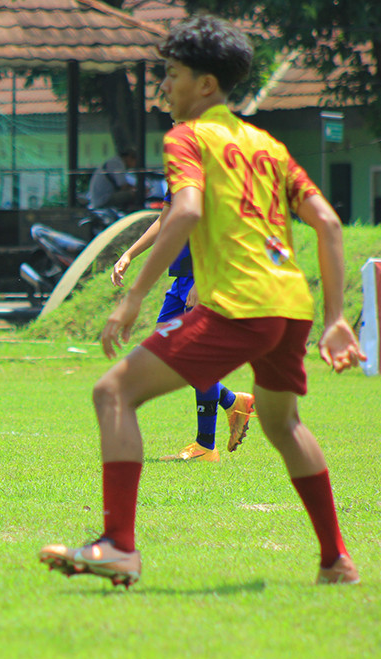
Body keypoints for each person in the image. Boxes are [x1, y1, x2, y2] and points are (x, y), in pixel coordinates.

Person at [39, 15, 363, 587]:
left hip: (237, 305)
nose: (165, 86)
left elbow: (183, 212)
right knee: (283, 424)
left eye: (173, 74)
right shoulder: (267, 144)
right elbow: (330, 225)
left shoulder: (188, 137)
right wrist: (335, 319)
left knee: (112, 391)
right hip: (290, 305)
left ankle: (118, 545)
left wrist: (133, 296)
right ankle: (335, 560)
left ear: (207, 84)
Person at [112, 192, 254, 462]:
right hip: (180, 280)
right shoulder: (177, 175)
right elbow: (164, 220)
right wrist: (130, 254)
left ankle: (206, 446)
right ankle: (231, 402)